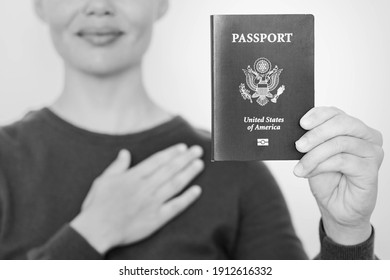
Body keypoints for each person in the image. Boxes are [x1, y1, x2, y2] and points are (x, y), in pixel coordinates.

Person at [0, 0, 384, 260]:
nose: (99, 6)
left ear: (161, 2)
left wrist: (346, 233)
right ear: (38, 4)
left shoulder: (237, 169)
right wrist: (90, 234)